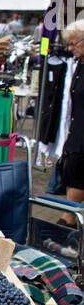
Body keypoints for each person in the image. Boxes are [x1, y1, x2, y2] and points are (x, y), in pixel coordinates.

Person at [56, 20, 84, 223]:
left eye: (74, 43)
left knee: (76, 177)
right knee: (72, 173)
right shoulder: (79, 64)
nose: (70, 48)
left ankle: (66, 224)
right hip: (76, 134)